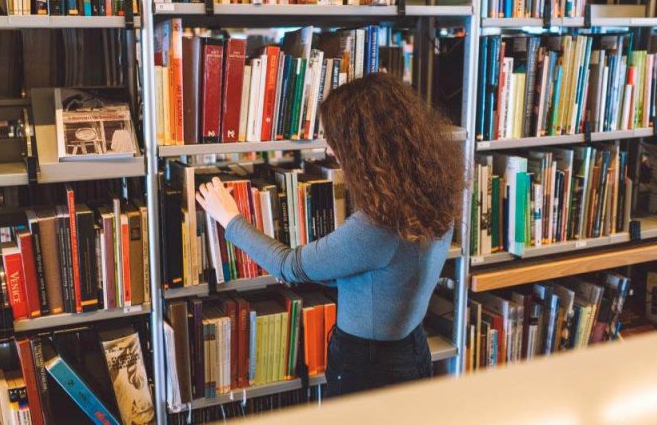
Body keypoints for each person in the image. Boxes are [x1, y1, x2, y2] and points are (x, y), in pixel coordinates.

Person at [195, 73, 463, 397]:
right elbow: (383, 275)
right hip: (412, 348)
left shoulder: (378, 226)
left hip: (370, 364)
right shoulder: (434, 198)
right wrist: (320, 267)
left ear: (362, 146)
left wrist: (229, 217)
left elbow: (288, 266)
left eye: (334, 138)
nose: (328, 149)